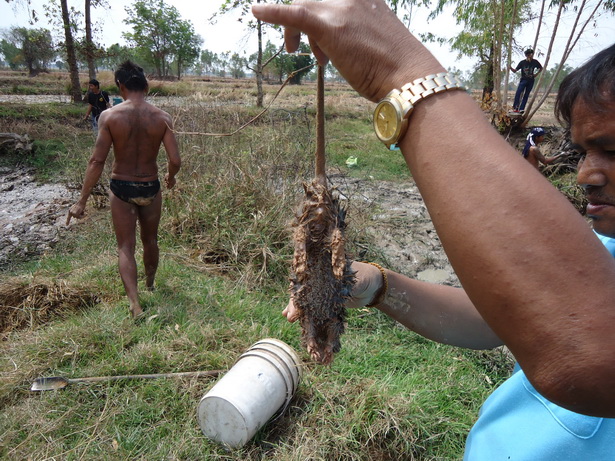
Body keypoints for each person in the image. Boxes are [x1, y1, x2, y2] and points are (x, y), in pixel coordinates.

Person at [252, 1, 615, 459]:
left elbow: (589, 357)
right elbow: (497, 319)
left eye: (613, 150)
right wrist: (378, 286)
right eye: (584, 152)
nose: (586, 174)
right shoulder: (605, 245)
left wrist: (403, 75)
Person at [67, 61, 181, 320]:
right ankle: (150, 285)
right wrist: (170, 178)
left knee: (125, 247)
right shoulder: (163, 117)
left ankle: (135, 304)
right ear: (146, 86)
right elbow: (175, 160)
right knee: (150, 240)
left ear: (120, 86)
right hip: (150, 186)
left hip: (121, 187)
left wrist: (82, 201)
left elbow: (97, 161)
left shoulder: (109, 116)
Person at [510, 48, 543, 113]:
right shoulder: (522, 63)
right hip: (523, 80)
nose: (529, 56)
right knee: (518, 93)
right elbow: (515, 71)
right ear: (526, 55)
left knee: (526, 94)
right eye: (528, 55)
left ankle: (522, 109)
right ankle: (515, 108)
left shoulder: (535, 62)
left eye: (530, 54)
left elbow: (541, 68)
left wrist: (536, 74)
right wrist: (510, 67)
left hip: (531, 80)